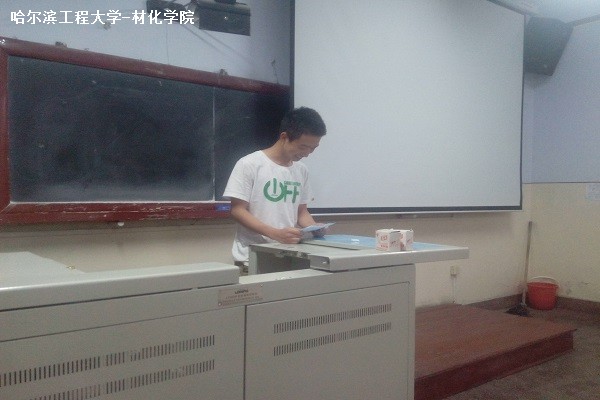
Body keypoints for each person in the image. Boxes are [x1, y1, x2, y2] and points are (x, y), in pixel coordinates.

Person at [223, 106, 327, 269]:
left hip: (289, 255)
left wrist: (313, 228)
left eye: (313, 148)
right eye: (303, 147)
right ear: (284, 137)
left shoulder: (301, 170)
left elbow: (301, 212)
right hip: (252, 257)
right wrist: (274, 233)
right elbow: (237, 210)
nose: (307, 153)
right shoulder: (249, 164)